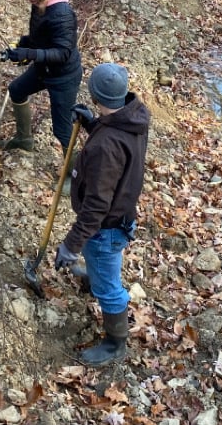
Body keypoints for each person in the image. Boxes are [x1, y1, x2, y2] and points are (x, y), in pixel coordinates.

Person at [54, 64, 150, 368]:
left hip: (106, 227)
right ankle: (94, 276)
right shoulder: (133, 116)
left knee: (110, 289)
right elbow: (114, 134)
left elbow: (96, 206)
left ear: (95, 95)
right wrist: (93, 124)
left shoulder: (105, 147)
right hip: (122, 216)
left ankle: (115, 344)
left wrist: (71, 246)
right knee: (101, 266)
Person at [0, 0, 82, 183]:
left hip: (64, 76)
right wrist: (23, 46)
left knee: (63, 130)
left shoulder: (62, 13)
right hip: (43, 69)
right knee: (16, 90)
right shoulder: (38, 3)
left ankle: (73, 178)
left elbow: (63, 52)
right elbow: (41, 36)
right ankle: (24, 139)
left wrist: (31, 53)